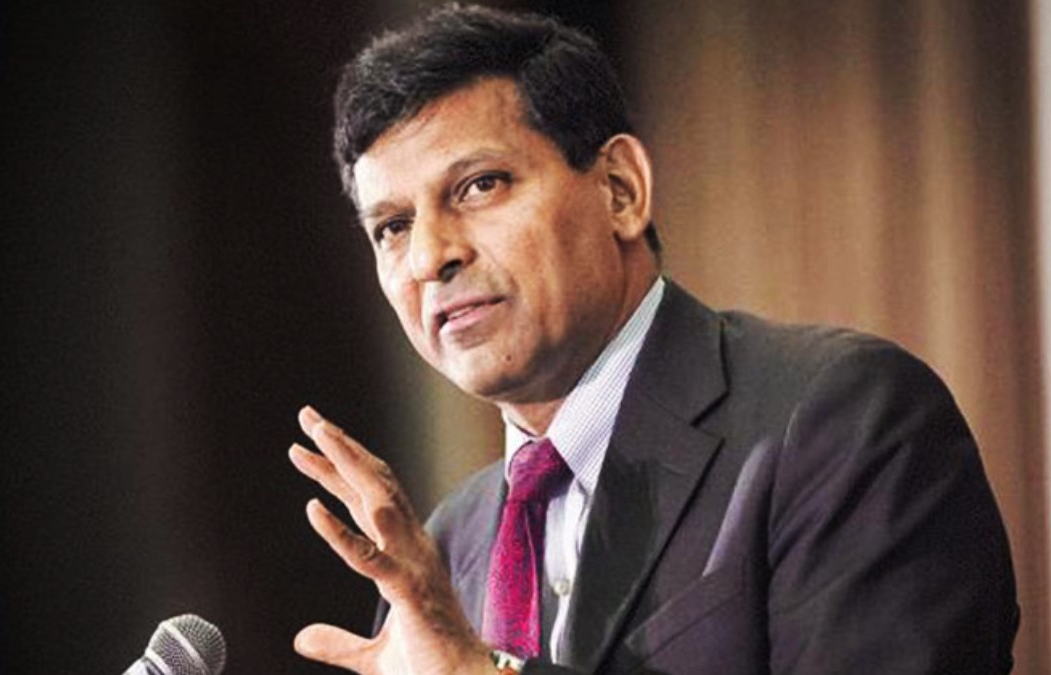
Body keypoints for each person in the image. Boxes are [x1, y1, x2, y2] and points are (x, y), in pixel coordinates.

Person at [287, 5, 1019, 674]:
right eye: (393, 227)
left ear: (620, 189)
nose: (430, 257)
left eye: (480, 186)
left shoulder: (844, 421)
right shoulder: (446, 549)